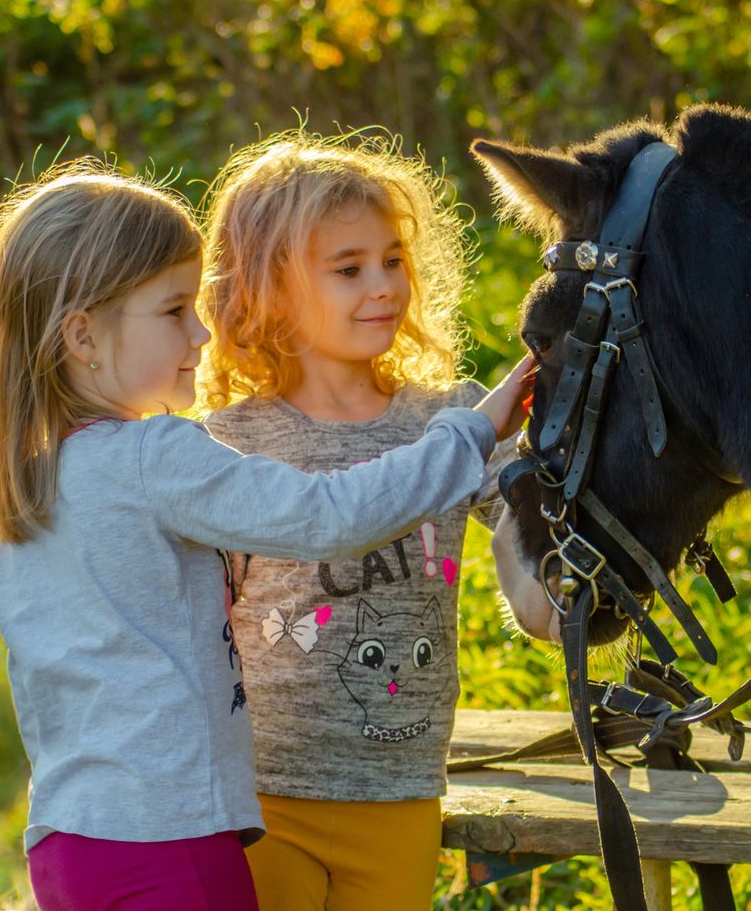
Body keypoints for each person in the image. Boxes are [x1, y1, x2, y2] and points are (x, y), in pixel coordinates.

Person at [0, 158, 531, 911]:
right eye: (173, 312)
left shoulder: (31, 484)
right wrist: (470, 430)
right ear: (83, 336)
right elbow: (330, 518)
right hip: (180, 837)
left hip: (71, 839)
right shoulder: (158, 456)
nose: (199, 330)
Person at [201, 129, 520, 911]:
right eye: (348, 270)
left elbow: (537, 577)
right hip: (264, 797)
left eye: (392, 260)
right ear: (271, 288)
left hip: (401, 790)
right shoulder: (228, 442)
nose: (382, 286)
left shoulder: (452, 421)